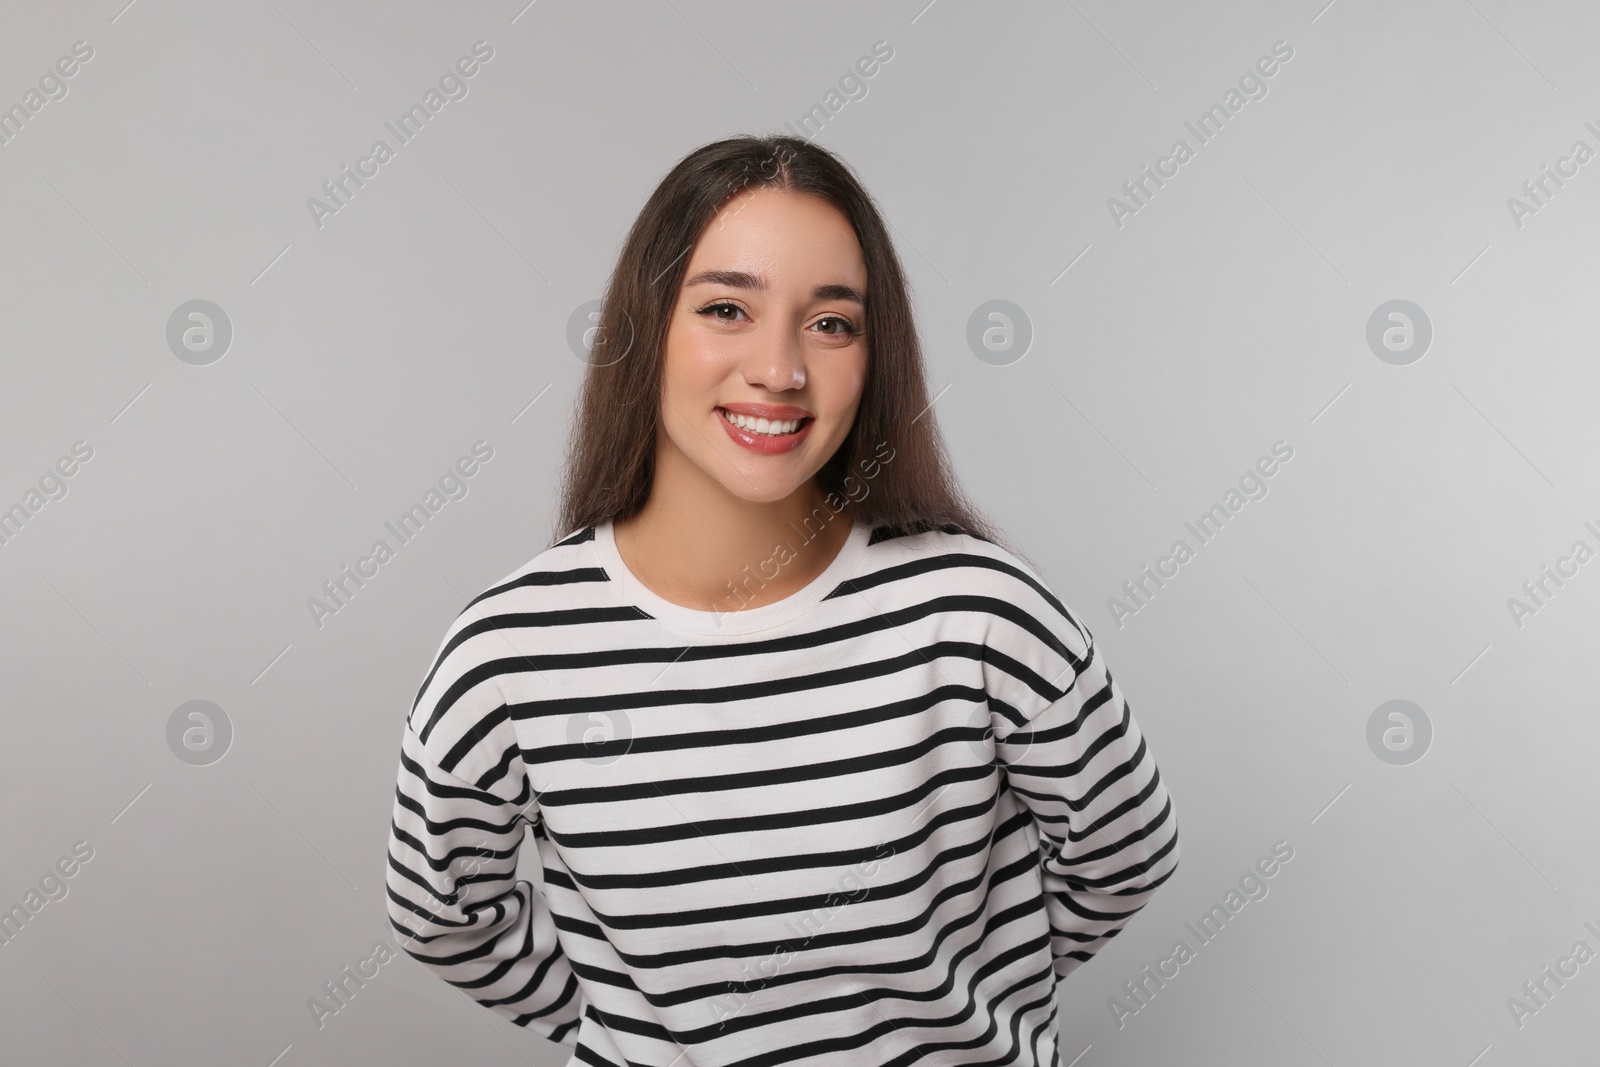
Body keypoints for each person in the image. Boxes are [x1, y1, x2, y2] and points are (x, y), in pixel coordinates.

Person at [384, 133, 1179, 1065]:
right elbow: (443, 915)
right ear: (646, 330)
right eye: (727, 307)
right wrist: (629, 1025)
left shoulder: (980, 612)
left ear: (874, 355)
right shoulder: (508, 653)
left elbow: (1124, 854)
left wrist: (965, 1000)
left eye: (831, 323)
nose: (780, 369)